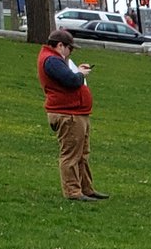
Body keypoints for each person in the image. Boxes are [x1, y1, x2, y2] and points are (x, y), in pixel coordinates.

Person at [36, 27, 105, 201]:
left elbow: (67, 76)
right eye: (70, 48)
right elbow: (71, 80)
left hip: (76, 112)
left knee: (82, 154)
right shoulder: (51, 60)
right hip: (67, 114)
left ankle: (86, 188)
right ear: (60, 45)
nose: (70, 52)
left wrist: (77, 71)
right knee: (71, 155)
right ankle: (73, 192)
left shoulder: (56, 60)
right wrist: (80, 74)